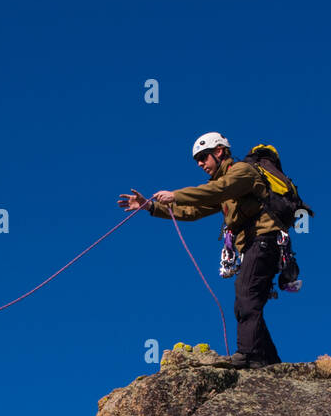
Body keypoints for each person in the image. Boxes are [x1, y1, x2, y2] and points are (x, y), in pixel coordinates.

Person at [118, 132, 282, 368]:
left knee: (247, 296)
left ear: (219, 152)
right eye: (197, 160)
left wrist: (176, 195)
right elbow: (193, 211)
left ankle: (250, 355)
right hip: (254, 244)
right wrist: (150, 207)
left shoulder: (242, 172)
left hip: (264, 239)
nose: (200, 164)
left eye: (203, 157)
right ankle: (267, 360)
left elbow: (218, 190)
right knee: (246, 300)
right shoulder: (223, 184)